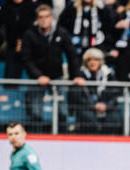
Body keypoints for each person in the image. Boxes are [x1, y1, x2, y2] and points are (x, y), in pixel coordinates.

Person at [21, 4, 84, 133]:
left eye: (46, 16)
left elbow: (72, 55)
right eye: (41, 17)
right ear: (37, 19)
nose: (44, 20)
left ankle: (63, 136)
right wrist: (38, 75)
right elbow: (26, 59)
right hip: (37, 79)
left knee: (62, 111)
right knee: (35, 112)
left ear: (52, 18)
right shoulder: (29, 34)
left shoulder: (61, 32)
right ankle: (36, 137)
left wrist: (76, 75)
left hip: (57, 76)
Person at [71, 48, 121, 134]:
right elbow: (79, 98)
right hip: (87, 107)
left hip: (106, 106)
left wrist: (106, 106)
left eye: (95, 59)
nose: (92, 62)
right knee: (88, 118)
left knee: (114, 117)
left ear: (100, 61)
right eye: (89, 59)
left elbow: (114, 94)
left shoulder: (109, 74)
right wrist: (93, 106)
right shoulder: (80, 75)